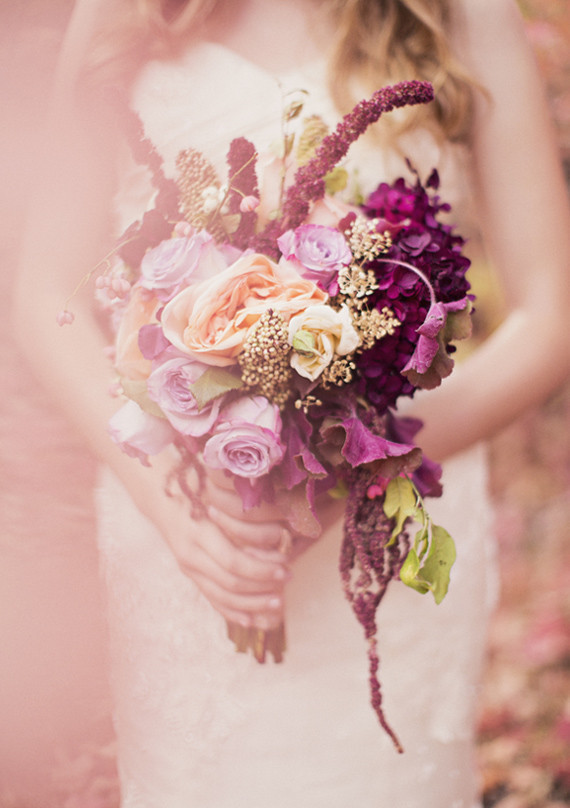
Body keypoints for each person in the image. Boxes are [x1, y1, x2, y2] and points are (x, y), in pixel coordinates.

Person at [14, 0, 570, 806]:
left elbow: (552, 314)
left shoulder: (463, 14)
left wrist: (355, 460)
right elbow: (45, 294)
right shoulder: (123, 12)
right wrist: (171, 502)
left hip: (387, 533)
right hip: (186, 523)